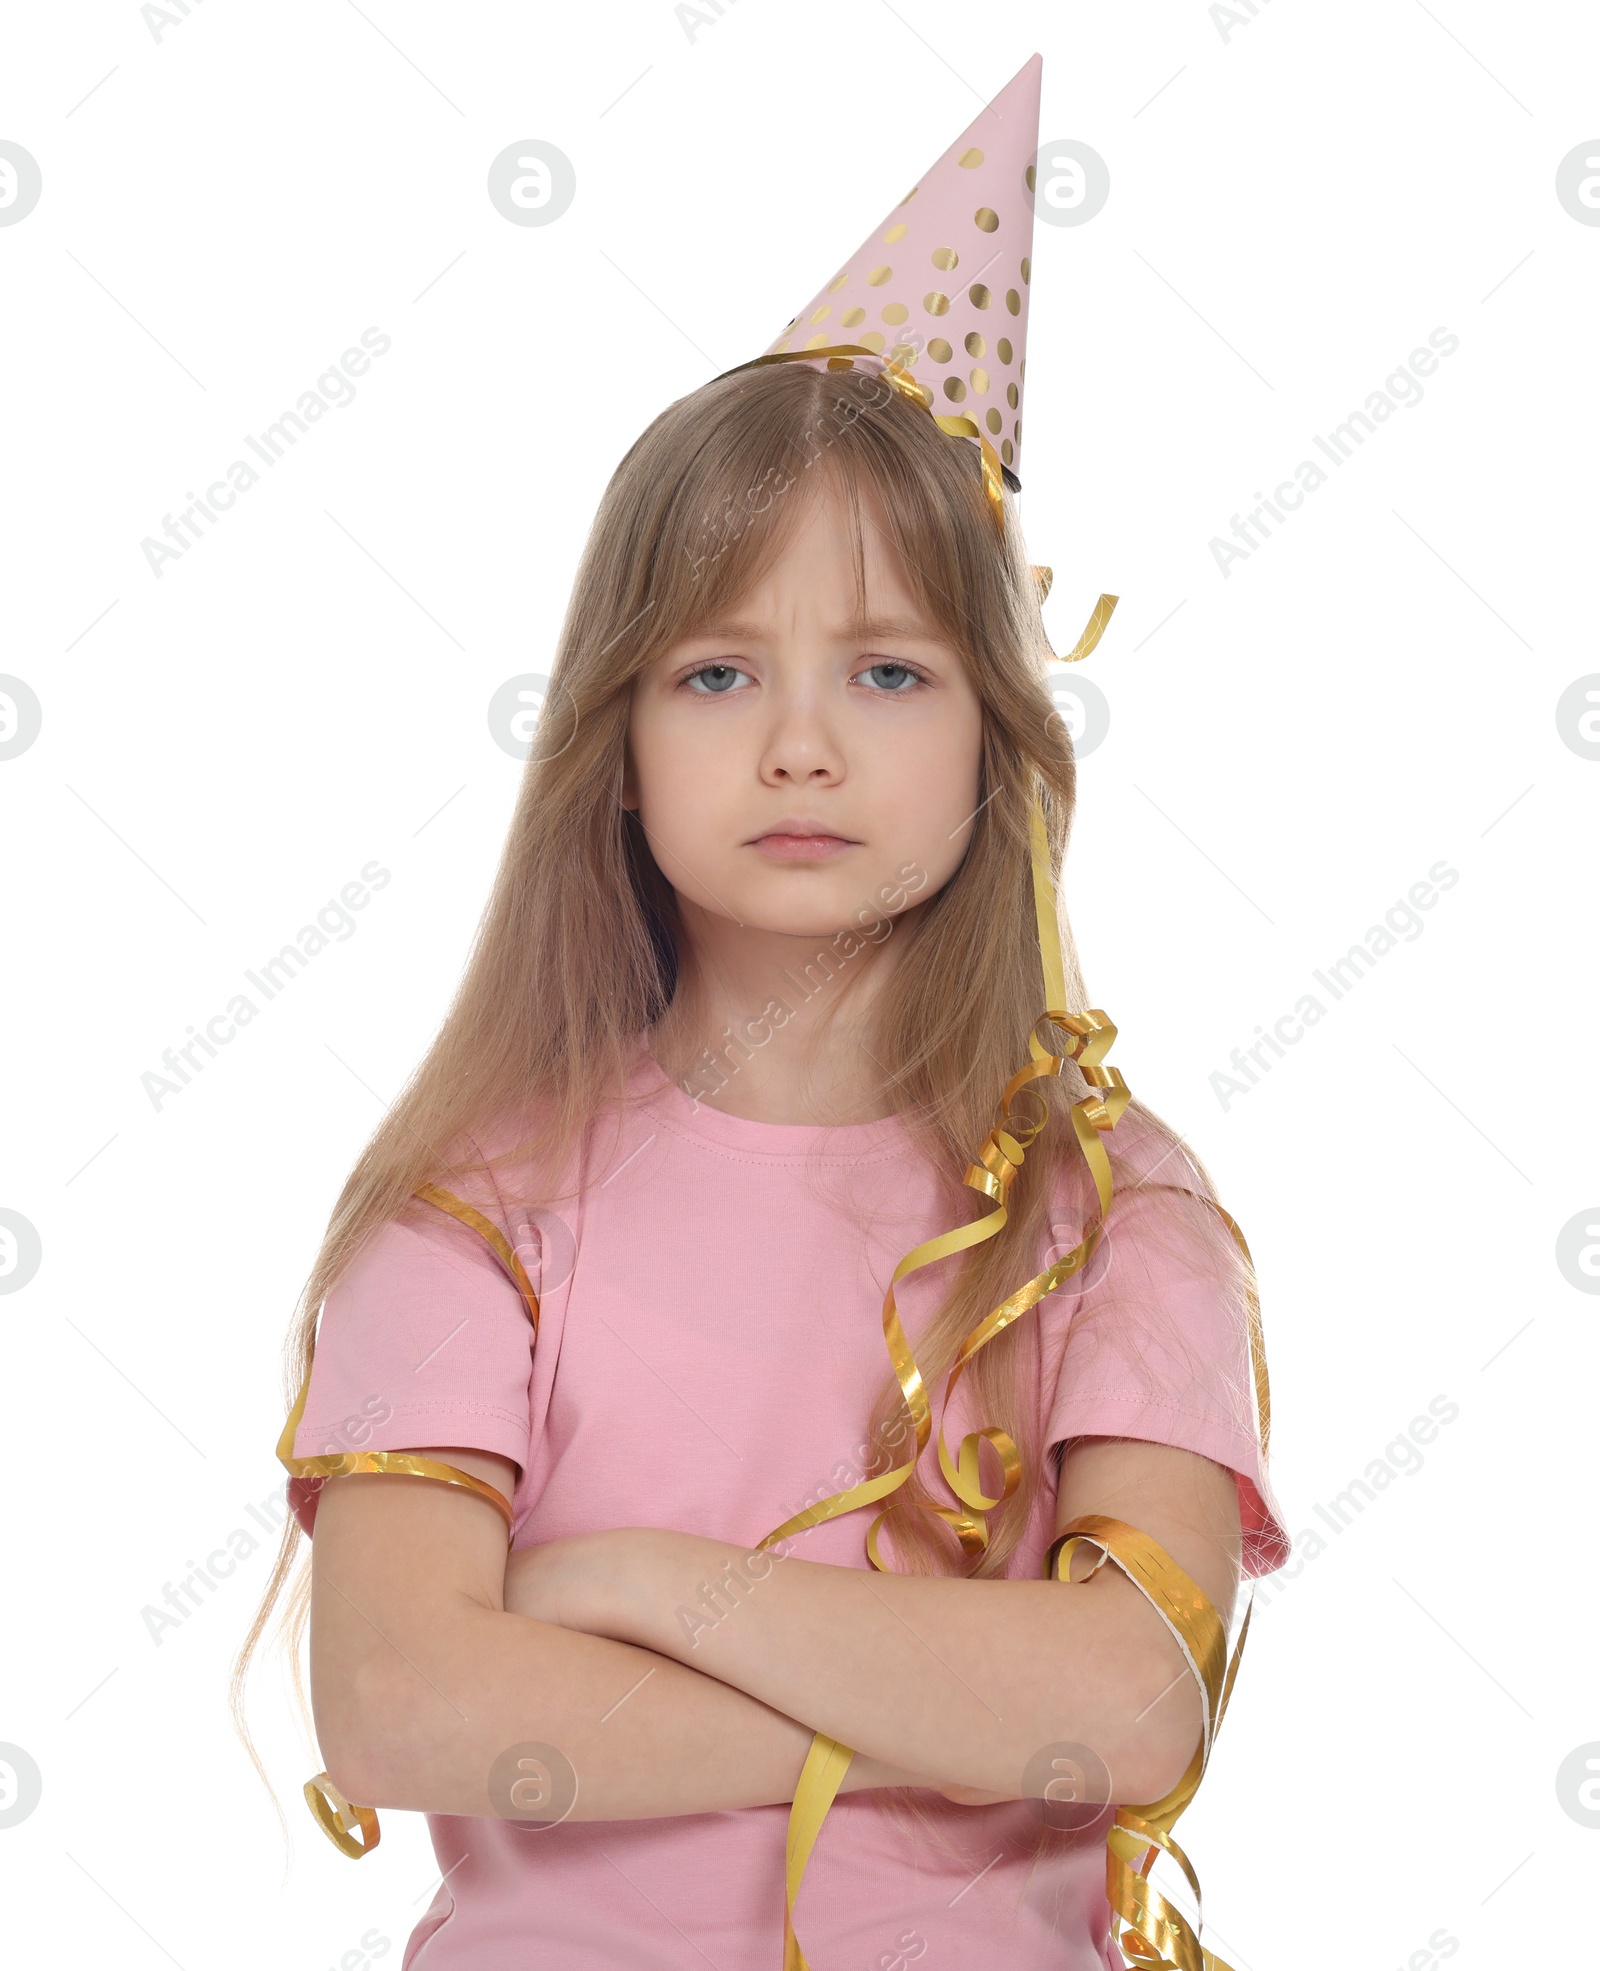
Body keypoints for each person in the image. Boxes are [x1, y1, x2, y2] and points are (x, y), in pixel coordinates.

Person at [234, 54, 1288, 1971]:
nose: (801, 742)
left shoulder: (1111, 1215)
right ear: (615, 748)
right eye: (719, 673)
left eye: (887, 671)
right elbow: (397, 1702)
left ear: (995, 741)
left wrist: (628, 1588)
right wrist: (954, 1720)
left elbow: (1136, 1706)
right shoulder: (477, 1202)